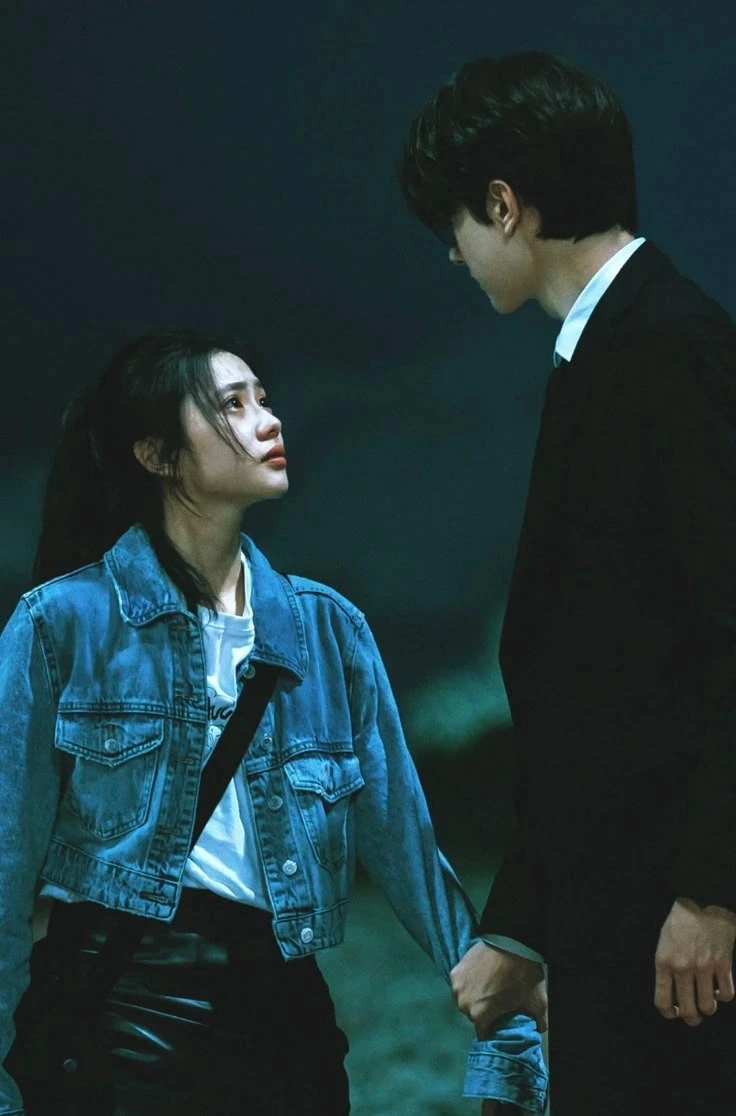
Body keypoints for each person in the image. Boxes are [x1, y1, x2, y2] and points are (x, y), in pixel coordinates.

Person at [0, 331, 548, 1115]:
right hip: (119, 1021)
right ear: (156, 454)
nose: (268, 418)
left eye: (264, 397)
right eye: (232, 405)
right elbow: (6, 863)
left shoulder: (327, 631)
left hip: (288, 1023)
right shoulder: (62, 624)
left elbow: (406, 846)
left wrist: (510, 1042)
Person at [399, 50, 736, 1115]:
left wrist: (713, 892)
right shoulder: (606, 347)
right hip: (623, 918)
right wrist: (523, 920)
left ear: (504, 206)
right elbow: (600, 687)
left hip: (678, 934)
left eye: (454, 225)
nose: (454, 256)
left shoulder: (668, 347)